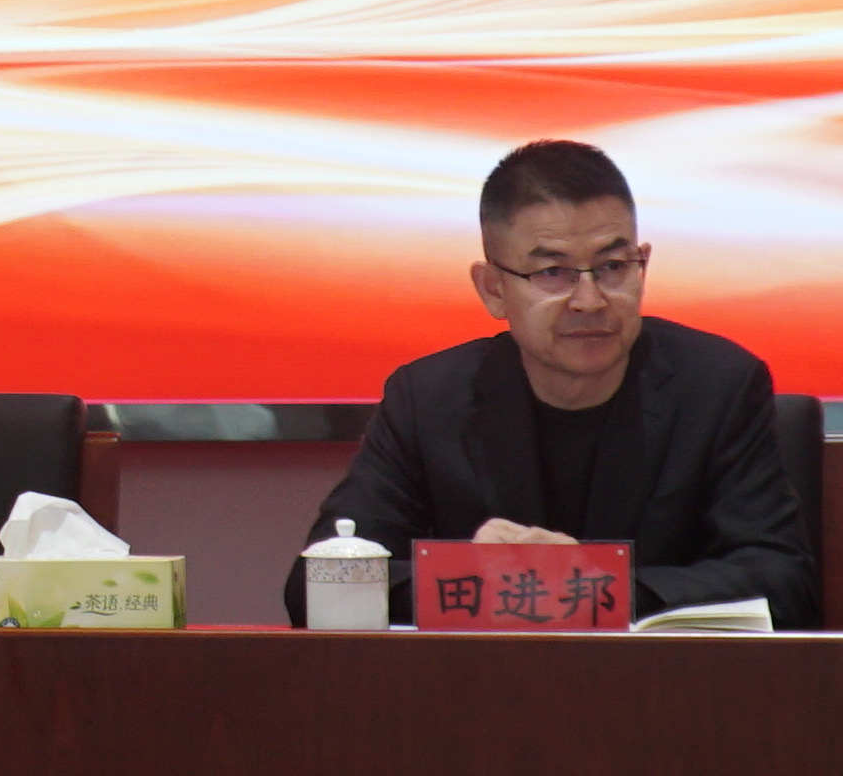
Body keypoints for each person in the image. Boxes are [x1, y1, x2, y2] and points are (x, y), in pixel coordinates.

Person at [288, 139, 814, 623]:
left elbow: (782, 580)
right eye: (553, 273)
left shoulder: (719, 386)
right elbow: (316, 584)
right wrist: (480, 579)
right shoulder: (426, 400)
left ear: (643, 266)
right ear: (493, 288)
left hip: (661, 686)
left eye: (613, 266)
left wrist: (592, 587)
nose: (589, 300)